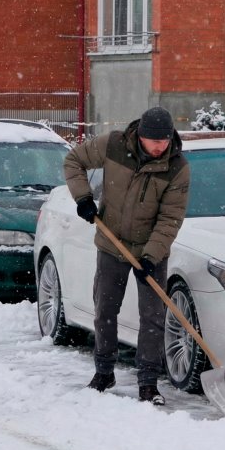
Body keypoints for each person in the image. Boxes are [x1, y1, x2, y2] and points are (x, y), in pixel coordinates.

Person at [62, 107, 190, 405]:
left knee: (153, 317)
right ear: (140, 136)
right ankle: (104, 372)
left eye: (164, 141)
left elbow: (170, 219)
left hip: (151, 250)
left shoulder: (177, 167)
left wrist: (150, 256)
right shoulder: (114, 145)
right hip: (112, 243)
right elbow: (74, 160)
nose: (159, 147)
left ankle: (148, 383)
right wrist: (83, 198)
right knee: (105, 309)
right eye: (154, 141)